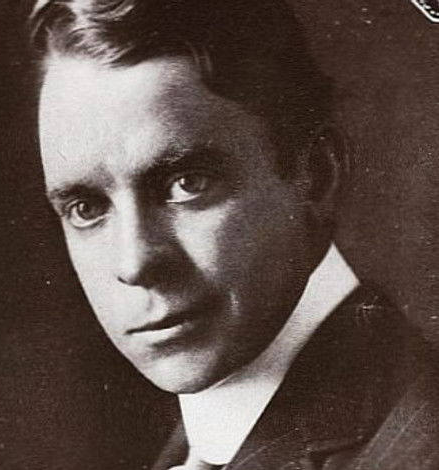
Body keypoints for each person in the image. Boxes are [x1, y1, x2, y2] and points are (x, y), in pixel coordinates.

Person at [30, 1, 439, 469]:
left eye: (187, 184)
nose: (134, 263)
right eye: (86, 209)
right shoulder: (199, 446)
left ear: (317, 177)